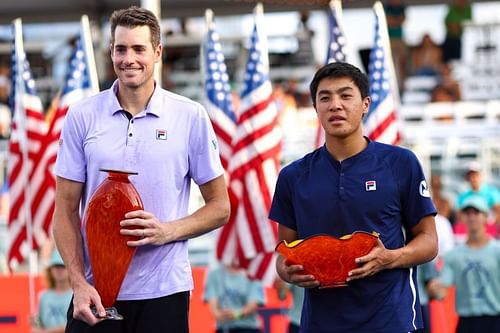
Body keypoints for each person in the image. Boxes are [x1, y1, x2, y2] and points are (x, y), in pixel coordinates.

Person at [52, 6, 230, 333]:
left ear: (157, 52)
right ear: (110, 52)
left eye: (139, 49)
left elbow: (220, 207)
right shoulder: (81, 116)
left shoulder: (190, 116)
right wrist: (77, 283)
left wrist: (167, 230)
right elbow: (64, 211)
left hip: (164, 291)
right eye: (121, 49)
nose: (128, 58)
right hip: (95, 293)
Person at [269, 62, 438, 333]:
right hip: (320, 323)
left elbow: (429, 241)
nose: (335, 105)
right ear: (315, 108)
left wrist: (390, 258)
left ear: (365, 104)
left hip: (392, 321)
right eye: (325, 97)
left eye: (346, 95)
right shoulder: (293, 176)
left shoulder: (400, 163)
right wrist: (288, 272)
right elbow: (284, 252)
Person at [429, 195, 500, 333]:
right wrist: (435, 288)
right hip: (467, 322)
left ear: (485, 216)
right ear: (462, 217)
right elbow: (443, 289)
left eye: (476, 212)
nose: (472, 217)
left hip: (495, 320)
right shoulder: (453, 256)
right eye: (468, 213)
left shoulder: (497, 251)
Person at [203, 262, 265, 333]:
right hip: (224, 328)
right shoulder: (214, 275)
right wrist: (220, 315)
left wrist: (236, 314)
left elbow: (253, 304)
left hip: (248, 327)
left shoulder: (253, 274)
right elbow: (213, 305)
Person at [31, 250, 73, 333]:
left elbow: (74, 326)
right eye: (56, 266)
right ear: (50, 270)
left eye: (62, 266)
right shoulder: (43, 296)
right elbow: (39, 322)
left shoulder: (75, 295)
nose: (59, 270)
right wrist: (35, 323)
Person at [456, 161, 500, 230]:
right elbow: (460, 218)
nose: (473, 178)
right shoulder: (463, 196)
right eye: (470, 175)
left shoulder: (492, 192)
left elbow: (498, 214)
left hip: (491, 230)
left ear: (480, 175)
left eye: (475, 174)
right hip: (470, 230)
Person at [384, 0, 407, 92]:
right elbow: (389, 21)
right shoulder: (386, 7)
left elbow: (402, 19)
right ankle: (390, 85)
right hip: (389, 39)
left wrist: (394, 21)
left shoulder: (401, 7)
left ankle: (402, 85)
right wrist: (395, 21)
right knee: (390, 62)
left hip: (399, 39)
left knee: (402, 62)